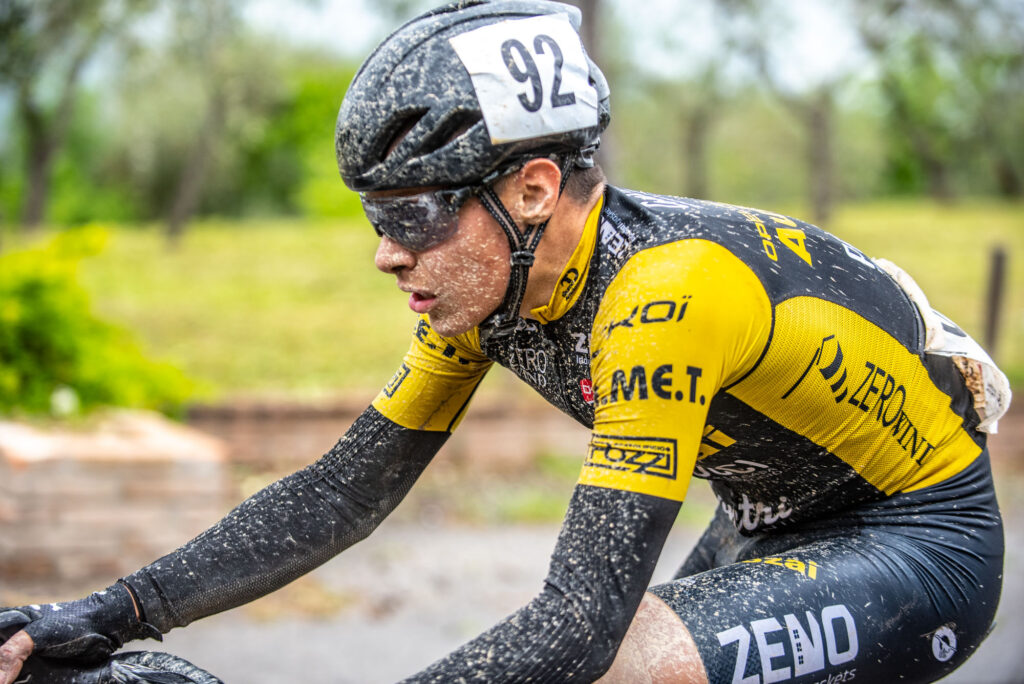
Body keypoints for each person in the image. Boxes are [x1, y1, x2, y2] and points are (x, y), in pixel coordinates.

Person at [0, 1, 1012, 682]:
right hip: (766, 519)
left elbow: (578, 623)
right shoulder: (495, 290)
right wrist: (117, 610)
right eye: (375, 217)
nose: (387, 254)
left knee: (620, 667)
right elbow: (344, 492)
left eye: (413, 215)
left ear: (532, 189)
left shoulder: (667, 295)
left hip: (916, 543)